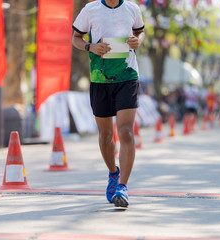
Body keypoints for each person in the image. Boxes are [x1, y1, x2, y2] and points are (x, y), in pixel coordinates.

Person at [72, 0, 145, 208]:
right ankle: (114, 173)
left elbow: (140, 32)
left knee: (126, 132)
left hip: (128, 76)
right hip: (100, 78)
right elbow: (75, 38)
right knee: (105, 136)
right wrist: (90, 46)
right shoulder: (91, 10)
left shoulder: (132, 8)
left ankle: (122, 187)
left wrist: (137, 41)